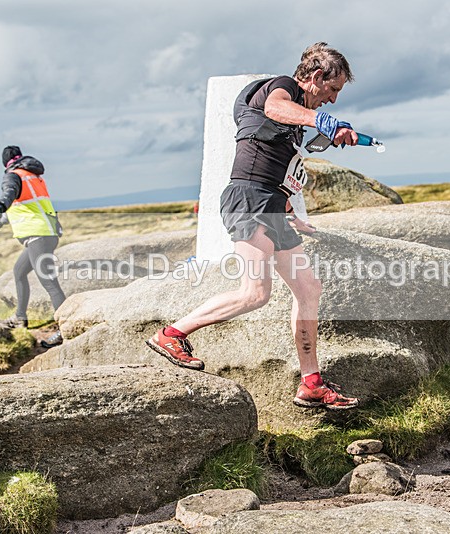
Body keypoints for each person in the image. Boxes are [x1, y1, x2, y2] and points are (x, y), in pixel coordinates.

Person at [147, 42, 360, 410]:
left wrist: (292, 212)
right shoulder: (280, 88)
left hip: (273, 207)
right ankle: (171, 334)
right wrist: (318, 121)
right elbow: (275, 107)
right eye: (333, 89)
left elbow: (276, 168)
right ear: (314, 77)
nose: (333, 100)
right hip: (247, 201)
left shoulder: (297, 120)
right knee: (255, 294)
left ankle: (311, 383)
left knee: (309, 288)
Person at [0, 145, 66, 349]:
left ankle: (64, 330)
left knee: (50, 285)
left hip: (37, 236)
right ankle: (20, 318)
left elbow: (9, 193)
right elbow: (29, 204)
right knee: (19, 272)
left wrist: (2, 203)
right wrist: (2, 218)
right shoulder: (33, 175)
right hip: (47, 232)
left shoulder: (13, 176)